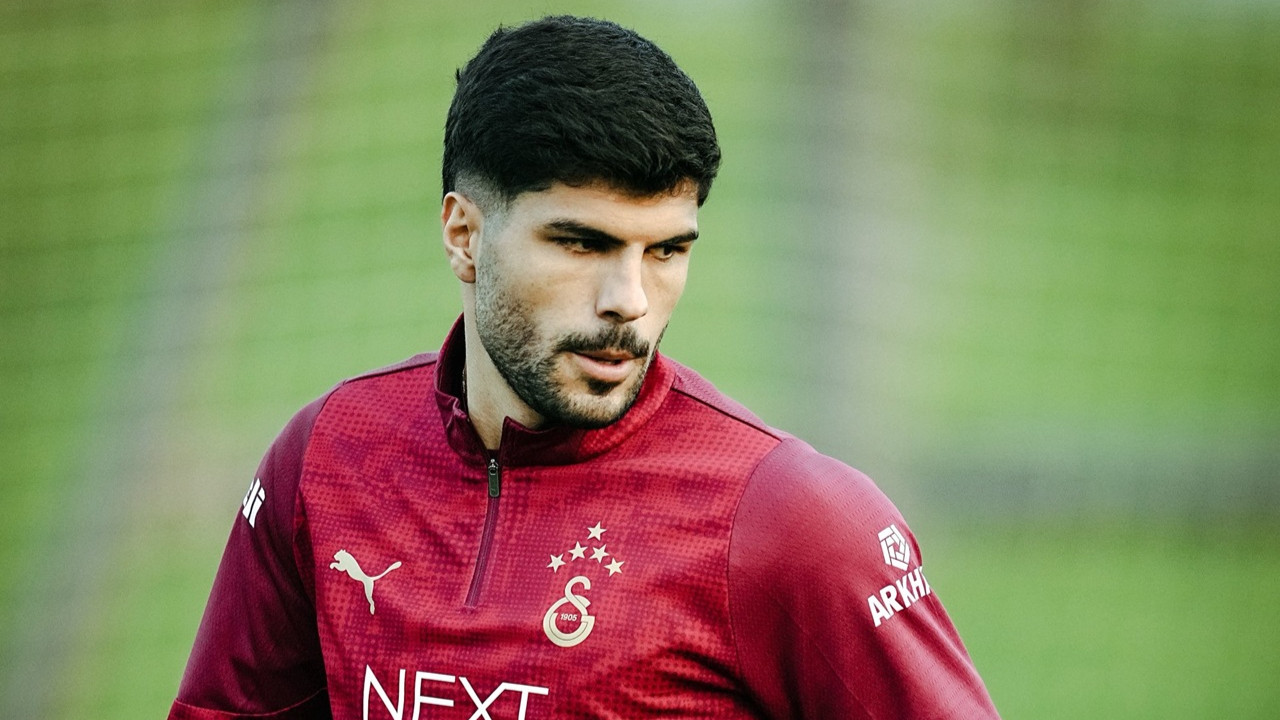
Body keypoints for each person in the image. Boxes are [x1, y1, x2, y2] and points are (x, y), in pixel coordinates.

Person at [169, 15, 999, 720]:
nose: (628, 301)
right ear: (464, 235)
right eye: (581, 243)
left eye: (666, 250)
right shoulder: (326, 458)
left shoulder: (793, 520)